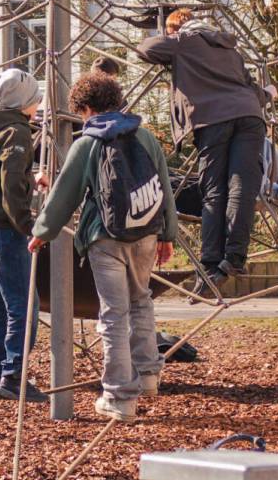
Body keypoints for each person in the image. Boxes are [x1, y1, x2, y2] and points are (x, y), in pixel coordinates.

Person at [29, 70, 175, 422]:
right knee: (141, 300)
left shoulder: (88, 143)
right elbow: (164, 186)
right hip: (145, 232)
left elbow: (66, 193)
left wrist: (42, 231)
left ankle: (120, 397)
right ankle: (148, 376)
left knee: (113, 314)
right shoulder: (144, 136)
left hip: (105, 237)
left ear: (87, 109)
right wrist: (168, 234)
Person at [136, 8, 266, 285]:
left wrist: (172, 39)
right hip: (249, 116)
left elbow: (145, 49)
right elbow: (254, 90)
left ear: (175, 29)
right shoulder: (229, 48)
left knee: (214, 190)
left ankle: (209, 263)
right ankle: (235, 257)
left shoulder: (184, 41)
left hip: (212, 119)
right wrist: (268, 95)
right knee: (241, 186)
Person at [0, 68, 43, 400]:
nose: (38, 104)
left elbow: (7, 175)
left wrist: (32, 179)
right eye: (36, 98)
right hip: (6, 228)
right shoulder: (17, 132)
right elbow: (11, 184)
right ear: (25, 101)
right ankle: (13, 376)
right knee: (23, 305)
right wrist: (29, 226)